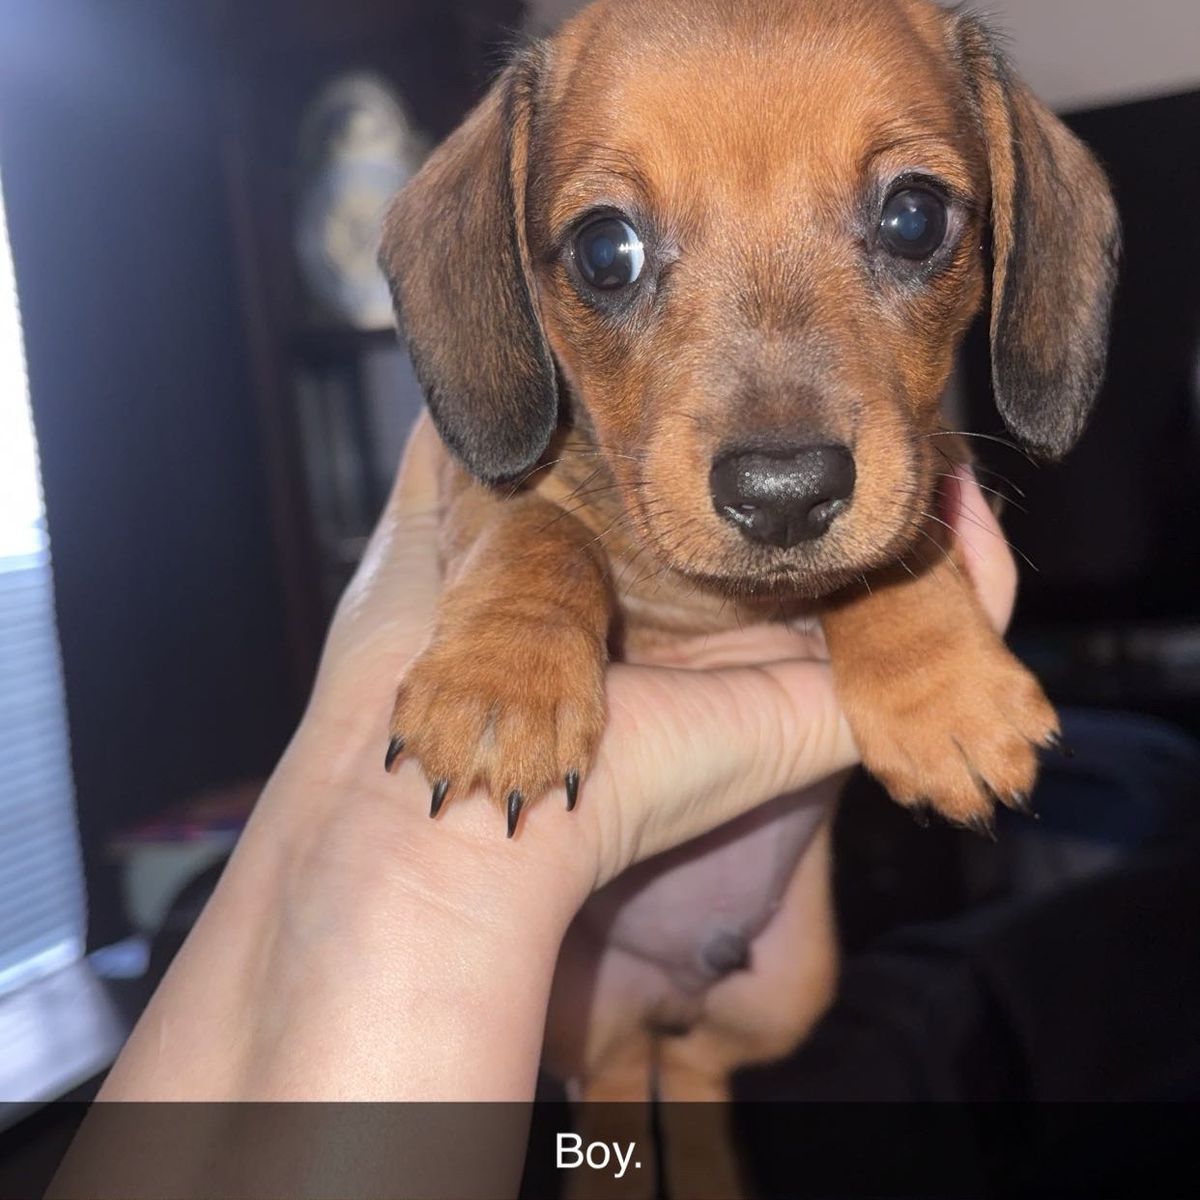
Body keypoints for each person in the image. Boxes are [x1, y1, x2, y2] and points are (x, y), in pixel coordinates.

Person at [53, 416, 1016, 1196]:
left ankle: (686, 1100)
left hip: (760, 950)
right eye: (612, 255)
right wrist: (522, 615)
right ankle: (610, 1139)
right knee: (598, 1097)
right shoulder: (535, 439)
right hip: (580, 948)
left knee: (724, 1049)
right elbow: (497, 504)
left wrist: (911, 630)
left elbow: (914, 482)